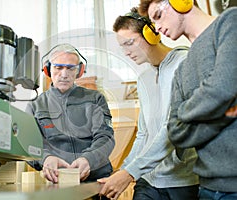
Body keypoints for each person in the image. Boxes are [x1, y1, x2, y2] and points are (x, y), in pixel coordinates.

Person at [139, 0, 237, 199]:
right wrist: (221, 118)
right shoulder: (182, 70)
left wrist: (185, 111)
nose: (156, 28)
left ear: (180, 2)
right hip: (207, 187)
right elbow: (175, 132)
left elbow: (221, 89)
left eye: (158, 15)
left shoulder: (229, 22)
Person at [98, 7, 199, 200]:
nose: (126, 52)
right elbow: (143, 134)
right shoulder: (143, 78)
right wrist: (124, 170)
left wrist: (129, 173)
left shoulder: (184, 63)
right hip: (147, 181)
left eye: (130, 43)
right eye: (123, 47)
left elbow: (171, 129)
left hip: (182, 182)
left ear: (151, 34)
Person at [26, 43, 115, 185]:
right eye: (58, 67)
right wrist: (46, 158)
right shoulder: (35, 105)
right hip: (57, 183)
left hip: (96, 180)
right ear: (47, 69)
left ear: (79, 71)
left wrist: (88, 160)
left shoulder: (95, 99)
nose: (64, 74)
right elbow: (29, 144)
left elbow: (105, 137)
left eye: (70, 68)